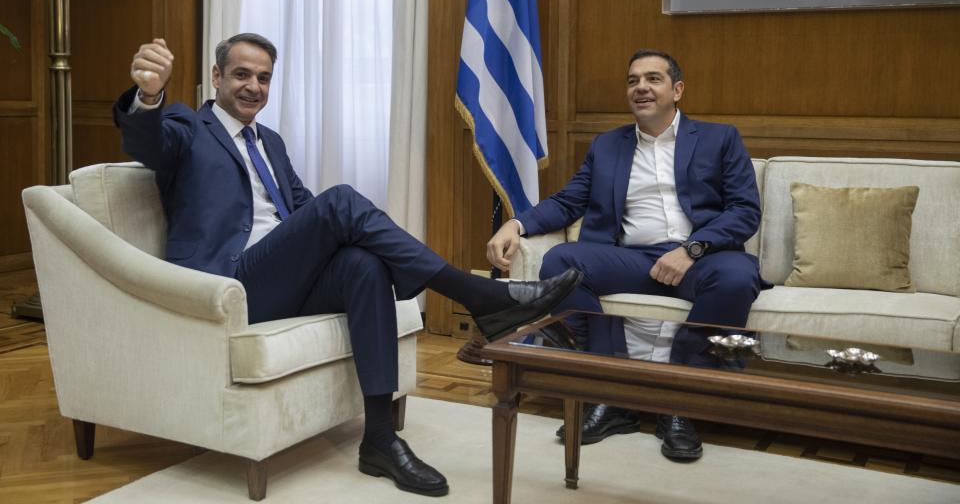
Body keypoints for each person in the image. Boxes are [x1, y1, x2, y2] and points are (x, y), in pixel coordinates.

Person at [113, 34, 583, 497]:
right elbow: (147, 142)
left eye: (263, 77)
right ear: (216, 77)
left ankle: (378, 439)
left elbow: (304, 210)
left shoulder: (270, 143)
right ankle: (478, 295)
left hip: (278, 279)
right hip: (230, 285)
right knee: (341, 202)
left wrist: (354, 237)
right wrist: (150, 94)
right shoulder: (186, 126)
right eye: (241, 75)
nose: (253, 86)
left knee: (362, 264)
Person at [486, 49, 764, 461]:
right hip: (633, 259)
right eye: (633, 80)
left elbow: (745, 211)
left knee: (738, 278)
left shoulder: (719, 138)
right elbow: (568, 201)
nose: (641, 88)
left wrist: (692, 249)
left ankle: (679, 403)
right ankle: (610, 393)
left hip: (702, 258)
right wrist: (515, 224)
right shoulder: (607, 146)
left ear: (677, 90)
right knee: (562, 260)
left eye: (653, 79)